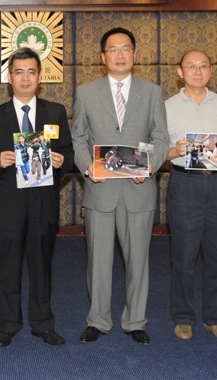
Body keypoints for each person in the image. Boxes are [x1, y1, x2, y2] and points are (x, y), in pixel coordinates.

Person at [72, 27, 170, 345]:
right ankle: (97, 320)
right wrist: (87, 165)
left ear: (134, 54)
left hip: (138, 189)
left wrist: (150, 165)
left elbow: (161, 137)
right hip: (100, 190)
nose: (119, 54)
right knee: (98, 261)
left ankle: (135, 321)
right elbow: (78, 138)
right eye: (112, 49)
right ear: (103, 57)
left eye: (125, 48)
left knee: (138, 261)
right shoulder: (86, 92)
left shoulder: (152, 92)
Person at [0, 47, 74, 348]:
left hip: (43, 203)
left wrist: (61, 161)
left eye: (31, 71)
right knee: (8, 267)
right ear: (10, 77)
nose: (25, 78)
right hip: (9, 204)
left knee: (42, 266)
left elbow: (69, 152)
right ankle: (7, 323)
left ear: (40, 77)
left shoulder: (55, 112)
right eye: (19, 72)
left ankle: (43, 323)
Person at [164, 50, 217, 341]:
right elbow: (156, 153)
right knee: (184, 256)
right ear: (180, 72)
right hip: (185, 185)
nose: (198, 71)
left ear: (210, 70)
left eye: (203, 66)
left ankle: (214, 317)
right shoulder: (167, 107)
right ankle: (183, 317)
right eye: (191, 66)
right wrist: (175, 150)